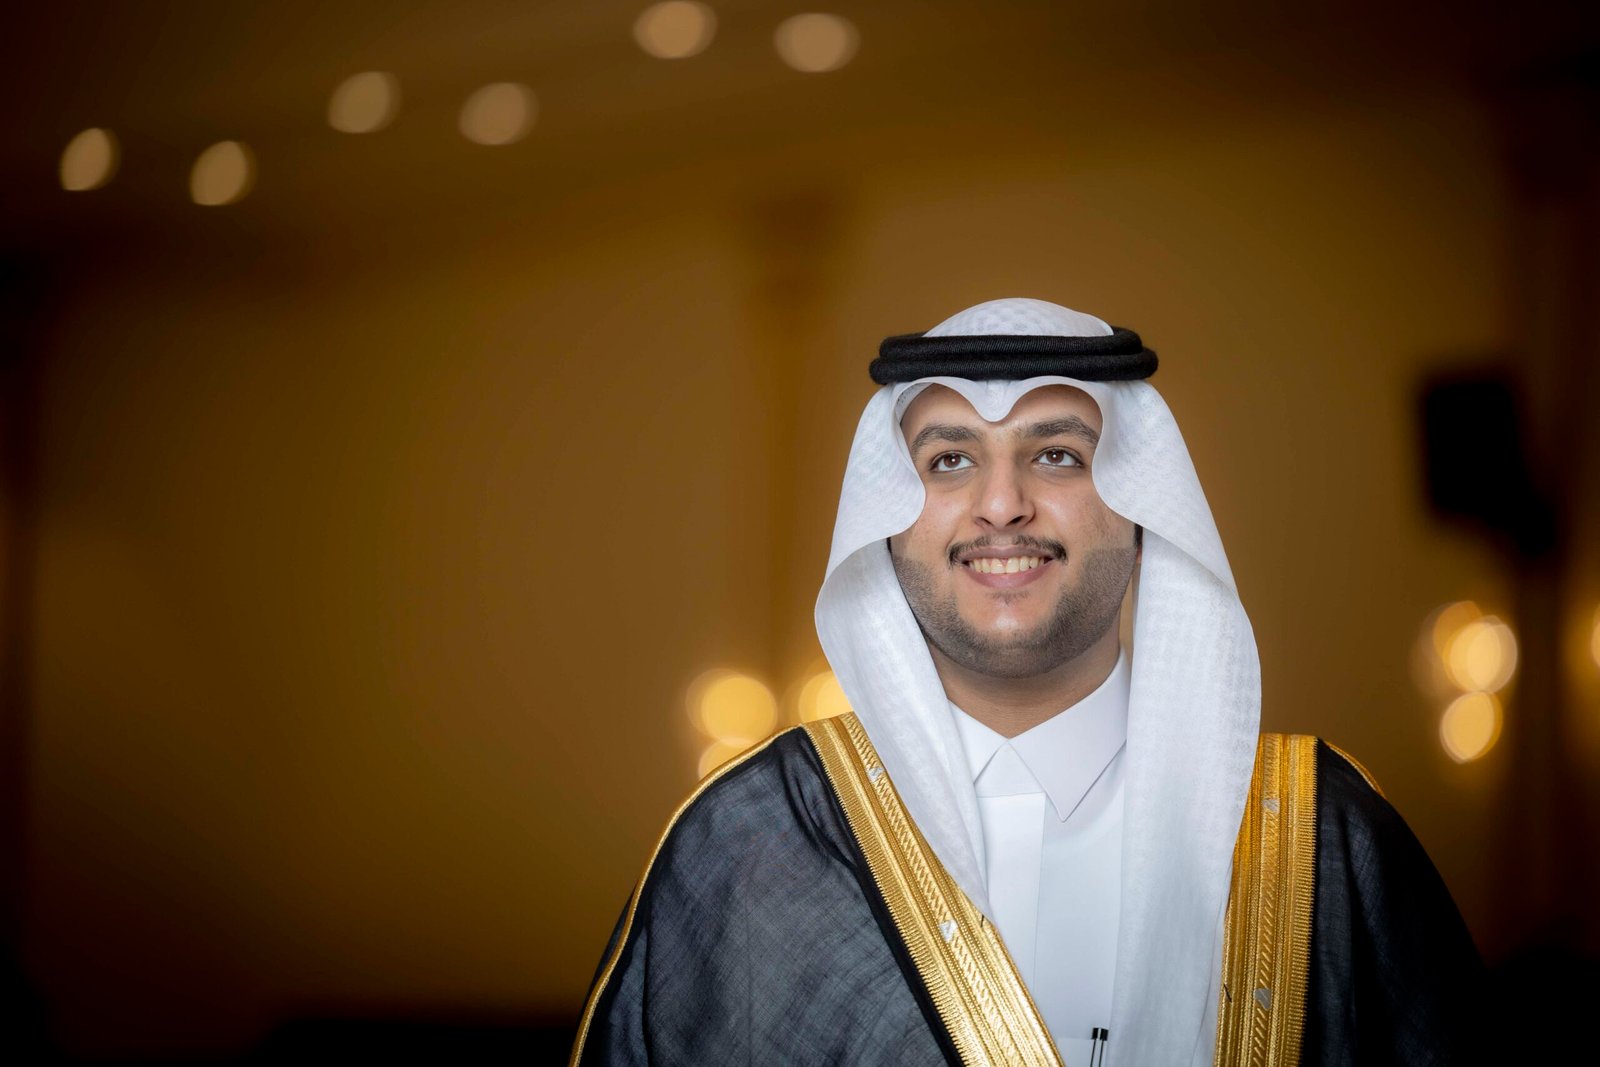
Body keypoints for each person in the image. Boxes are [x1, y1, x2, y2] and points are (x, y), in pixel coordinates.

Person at [569, 298, 1483, 1066]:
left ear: (1143, 510)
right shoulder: (749, 842)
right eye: (950, 460)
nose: (1001, 505)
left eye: (1057, 454)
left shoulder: (1320, 842)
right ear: (887, 518)